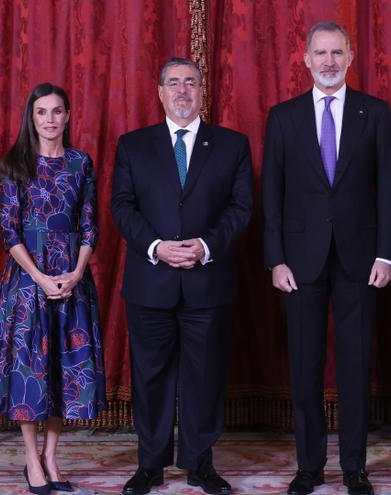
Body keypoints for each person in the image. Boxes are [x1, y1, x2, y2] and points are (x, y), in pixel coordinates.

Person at [262, 21, 391, 495]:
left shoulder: (375, 113)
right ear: (305, 59)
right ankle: (309, 466)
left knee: (356, 368)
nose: (328, 61)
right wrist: (275, 259)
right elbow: (272, 196)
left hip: (361, 260)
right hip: (300, 263)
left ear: (351, 57)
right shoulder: (282, 117)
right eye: (320, 53)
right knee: (304, 369)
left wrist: (387, 254)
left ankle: (355, 468)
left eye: (337, 52)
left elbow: (387, 193)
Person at [111, 57, 253, 495]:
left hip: (206, 281)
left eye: (190, 82)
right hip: (150, 281)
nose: (182, 91)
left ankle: (199, 463)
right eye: (173, 83)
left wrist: (205, 245)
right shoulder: (133, 145)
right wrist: (156, 247)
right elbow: (122, 205)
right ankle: (150, 464)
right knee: (150, 377)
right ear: (160, 92)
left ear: (202, 90)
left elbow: (241, 207)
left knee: (204, 376)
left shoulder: (231, 144)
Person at [0, 82, 106, 495]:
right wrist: (39, 277)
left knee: (62, 373)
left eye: (57, 112)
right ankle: (31, 458)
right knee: (30, 370)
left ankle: (53, 457)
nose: (50, 120)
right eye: (41, 112)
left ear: (67, 116)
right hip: (27, 281)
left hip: (72, 281)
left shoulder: (80, 163)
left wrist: (75, 273)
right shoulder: (15, 164)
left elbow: (90, 226)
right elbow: (8, 231)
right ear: (30, 118)